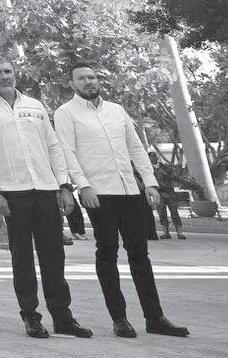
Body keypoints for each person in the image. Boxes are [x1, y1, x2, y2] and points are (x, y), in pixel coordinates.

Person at [53, 65, 189, 339]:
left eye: (92, 77)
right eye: (82, 78)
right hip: (98, 193)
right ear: (72, 84)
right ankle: (120, 319)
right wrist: (83, 185)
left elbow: (136, 147)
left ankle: (155, 318)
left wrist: (149, 181)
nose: (89, 82)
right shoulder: (66, 112)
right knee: (107, 253)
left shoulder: (116, 110)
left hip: (129, 191)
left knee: (140, 254)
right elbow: (67, 151)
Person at [0, 56, 92, 339]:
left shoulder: (34, 106)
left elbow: (53, 146)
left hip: (46, 189)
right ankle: (31, 316)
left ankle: (63, 317)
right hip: (12, 192)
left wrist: (63, 185)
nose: (4, 76)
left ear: (15, 73)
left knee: (54, 255)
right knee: (22, 257)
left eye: (8, 71)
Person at [152, 160, 187, 240]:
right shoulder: (149, 169)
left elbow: (174, 177)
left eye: (153, 156)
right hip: (159, 194)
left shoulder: (165, 167)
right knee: (162, 214)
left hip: (170, 193)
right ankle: (166, 233)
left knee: (174, 213)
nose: (152, 158)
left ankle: (180, 233)